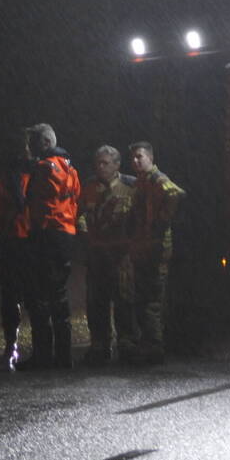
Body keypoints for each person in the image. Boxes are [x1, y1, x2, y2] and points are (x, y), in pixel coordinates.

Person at [17, 123, 80, 370]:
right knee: (59, 294)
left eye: (32, 144)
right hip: (65, 234)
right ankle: (64, 355)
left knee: (39, 296)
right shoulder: (70, 167)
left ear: (43, 144)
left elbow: (31, 200)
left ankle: (42, 355)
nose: (30, 149)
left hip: (46, 234)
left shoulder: (44, 168)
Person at [126, 141, 185, 364]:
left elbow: (176, 194)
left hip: (157, 247)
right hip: (143, 246)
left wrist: (161, 220)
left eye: (139, 157)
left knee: (152, 298)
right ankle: (148, 343)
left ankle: (154, 346)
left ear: (150, 158)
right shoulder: (140, 183)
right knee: (141, 297)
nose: (135, 161)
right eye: (132, 158)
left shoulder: (156, 179)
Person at [76, 145, 136, 366]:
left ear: (117, 165)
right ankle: (99, 345)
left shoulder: (130, 187)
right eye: (98, 163)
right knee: (96, 302)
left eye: (105, 163)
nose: (100, 167)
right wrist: (84, 232)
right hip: (97, 254)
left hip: (121, 256)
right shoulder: (90, 187)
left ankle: (127, 343)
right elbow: (79, 213)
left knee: (124, 300)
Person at [0, 133, 32, 369]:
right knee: (10, 297)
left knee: (35, 296)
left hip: (34, 242)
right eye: (22, 146)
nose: (24, 151)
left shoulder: (41, 173)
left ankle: (40, 344)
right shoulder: (8, 179)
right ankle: (11, 344)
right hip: (14, 242)